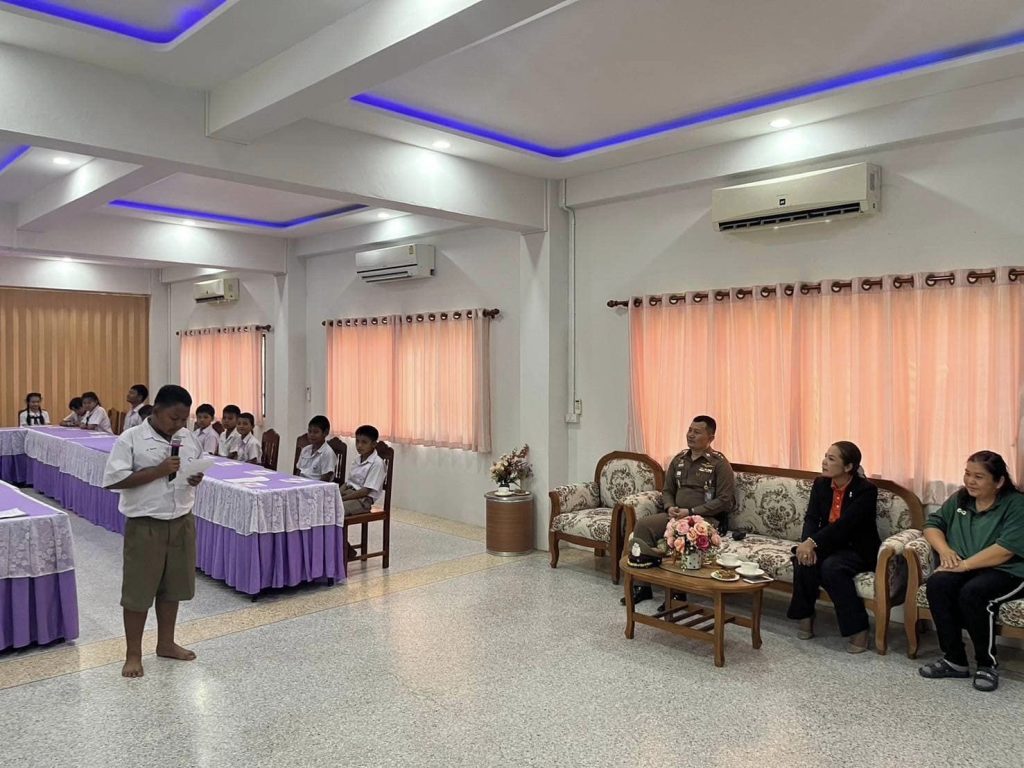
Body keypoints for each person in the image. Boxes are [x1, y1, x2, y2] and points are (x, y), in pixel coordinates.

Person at [102, 384, 206, 679]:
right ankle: (133, 654)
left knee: (173, 588)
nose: (179, 424)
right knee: (138, 592)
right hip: (145, 524)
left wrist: (195, 477)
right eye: (174, 418)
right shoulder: (131, 439)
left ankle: (166, 643)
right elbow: (113, 480)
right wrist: (158, 471)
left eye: (183, 419)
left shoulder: (188, 438)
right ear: (157, 410)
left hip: (181, 520)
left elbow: (192, 468)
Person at [917, 451, 1024, 692]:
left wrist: (964, 565)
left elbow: (1005, 550)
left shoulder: (1016, 504)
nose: (970, 481)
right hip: (965, 566)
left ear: (999, 481)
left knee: (973, 593)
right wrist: (945, 551)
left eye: (978, 476)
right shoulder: (960, 499)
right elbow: (932, 525)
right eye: (967, 474)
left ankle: (987, 665)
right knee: (938, 584)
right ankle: (954, 660)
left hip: (1007, 570)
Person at [624, 416, 735, 605]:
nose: (690, 435)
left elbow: (725, 500)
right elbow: (667, 490)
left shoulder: (719, 463)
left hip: (704, 519)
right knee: (643, 525)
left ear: (710, 438)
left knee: (685, 534)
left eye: (697, 432)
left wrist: (691, 511)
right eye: (690, 430)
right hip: (676, 516)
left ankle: (677, 594)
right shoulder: (679, 459)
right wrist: (669, 507)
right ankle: (642, 586)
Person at [787, 441, 879, 653]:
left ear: (848, 466)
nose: (824, 462)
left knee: (832, 568)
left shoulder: (866, 491)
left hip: (856, 547)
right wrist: (806, 544)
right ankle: (805, 615)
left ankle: (858, 629)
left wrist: (813, 543)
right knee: (803, 560)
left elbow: (846, 525)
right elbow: (812, 518)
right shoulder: (821, 484)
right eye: (825, 456)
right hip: (828, 543)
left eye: (831, 459)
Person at [340, 424, 386, 516]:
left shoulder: (377, 463)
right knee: (323, 504)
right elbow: (348, 483)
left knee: (335, 509)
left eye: (364, 442)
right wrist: (337, 493)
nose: (359, 445)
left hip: (363, 500)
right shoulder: (357, 459)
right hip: (349, 493)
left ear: (374, 444)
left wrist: (342, 499)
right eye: (357, 441)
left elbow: (365, 491)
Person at [295, 415, 336, 482]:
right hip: (301, 484)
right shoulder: (305, 450)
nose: (311, 435)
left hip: (316, 486)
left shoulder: (328, 453)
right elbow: (298, 472)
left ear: (325, 433)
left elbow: (325, 480)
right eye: (309, 431)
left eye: (315, 432)